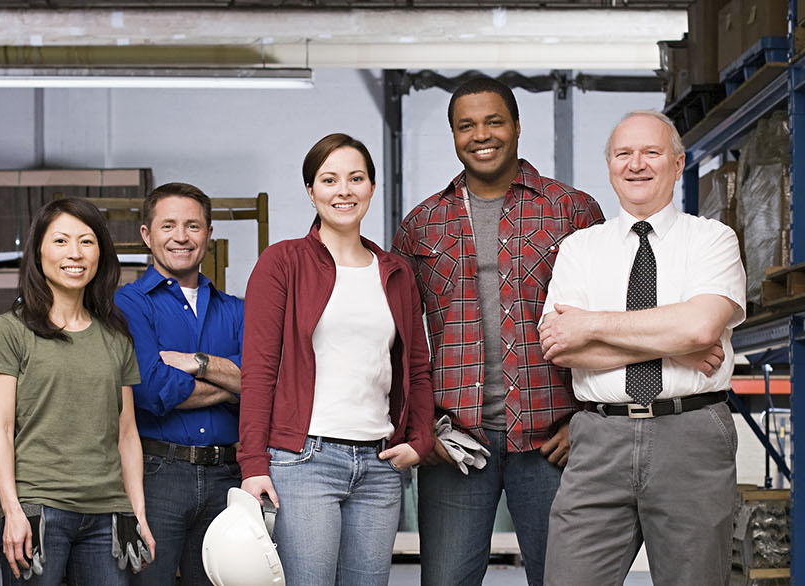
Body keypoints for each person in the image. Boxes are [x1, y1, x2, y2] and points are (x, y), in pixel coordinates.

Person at [391, 76, 604, 586]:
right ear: (453, 135)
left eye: (493, 121)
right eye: (466, 126)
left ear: (516, 126)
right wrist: (421, 429)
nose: (480, 135)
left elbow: (609, 323)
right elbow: (397, 340)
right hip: (456, 443)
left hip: (552, 440)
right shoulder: (423, 224)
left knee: (565, 580)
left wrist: (589, 422)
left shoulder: (572, 211)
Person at [538, 110, 744, 585]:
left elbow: (698, 329)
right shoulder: (579, 249)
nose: (636, 164)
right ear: (609, 164)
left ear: (677, 163)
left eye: (651, 152)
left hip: (691, 434)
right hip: (597, 440)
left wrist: (594, 324)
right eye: (623, 153)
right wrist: (666, 344)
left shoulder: (712, 240)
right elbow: (563, 348)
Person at [238, 133, 435, 586]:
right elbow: (259, 371)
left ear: (371, 187)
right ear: (311, 191)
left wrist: (421, 439)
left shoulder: (397, 272)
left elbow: (417, 369)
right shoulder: (282, 262)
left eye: (356, 178)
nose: (343, 190)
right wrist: (253, 464)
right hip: (304, 461)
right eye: (329, 179)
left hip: (381, 465)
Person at [0, 197, 156, 586]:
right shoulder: (10, 331)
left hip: (108, 514)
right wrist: (12, 511)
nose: (74, 254)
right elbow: (1, 429)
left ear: (101, 254)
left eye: (86, 241)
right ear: (38, 251)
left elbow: (127, 434)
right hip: (40, 511)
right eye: (61, 241)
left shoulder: (115, 335)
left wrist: (137, 512)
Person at [115, 182, 247, 586]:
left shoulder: (237, 309)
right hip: (159, 476)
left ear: (208, 234)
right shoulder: (128, 303)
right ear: (146, 234)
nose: (181, 236)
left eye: (193, 226)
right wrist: (233, 381)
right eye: (168, 225)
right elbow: (151, 390)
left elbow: (265, 383)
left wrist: (195, 363)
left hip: (227, 476)